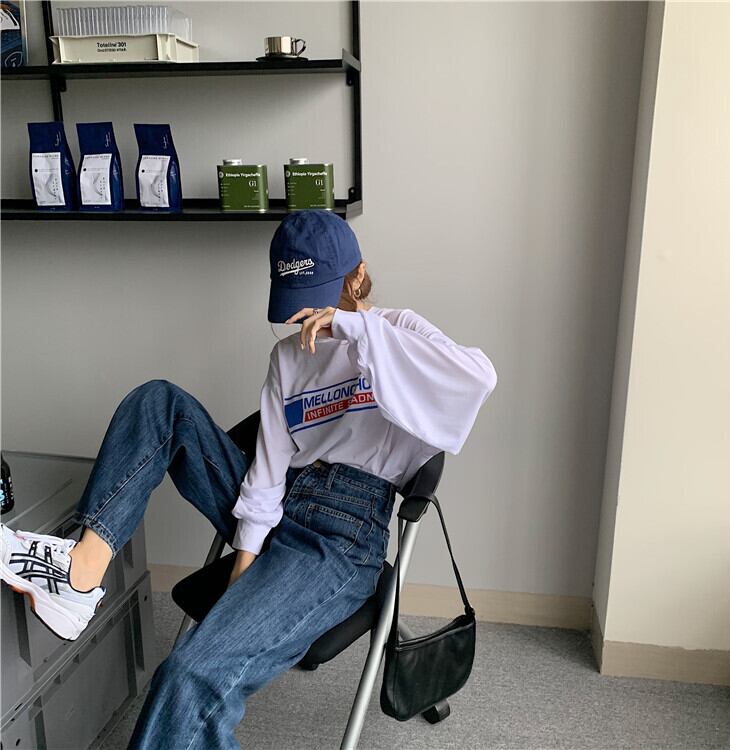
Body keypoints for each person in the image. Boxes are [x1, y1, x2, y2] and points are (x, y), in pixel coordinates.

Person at [0, 209, 497, 749]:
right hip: (281, 502)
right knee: (159, 402)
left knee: (188, 676)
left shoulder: (398, 331)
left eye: (320, 296)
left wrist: (352, 326)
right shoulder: (288, 357)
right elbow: (265, 475)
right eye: (297, 300)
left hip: (343, 532)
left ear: (358, 277)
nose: (306, 316)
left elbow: (477, 379)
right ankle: (82, 572)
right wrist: (243, 579)